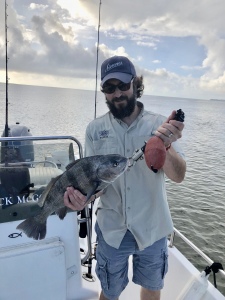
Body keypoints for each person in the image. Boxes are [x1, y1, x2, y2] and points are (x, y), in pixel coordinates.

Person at [64, 55, 186, 300]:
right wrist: (81, 199)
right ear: (104, 92)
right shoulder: (94, 130)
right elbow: (93, 184)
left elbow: (179, 176)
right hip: (112, 230)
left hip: (153, 229)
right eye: (110, 88)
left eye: (123, 85)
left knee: (152, 290)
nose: (117, 93)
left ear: (135, 84)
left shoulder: (158, 125)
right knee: (109, 292)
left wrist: (167, 146)